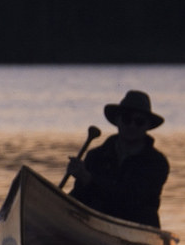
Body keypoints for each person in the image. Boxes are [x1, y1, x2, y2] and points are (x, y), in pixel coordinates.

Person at [63, 90, 169, 228]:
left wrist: (89, 179)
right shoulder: (95, 156)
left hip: (138, 231)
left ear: (147, 126)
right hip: (93, 226)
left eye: (139, 121)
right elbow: (79, 197)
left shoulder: (157, 163)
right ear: (117, 121)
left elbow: (131, 199)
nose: (131, 125)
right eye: (126, 119)